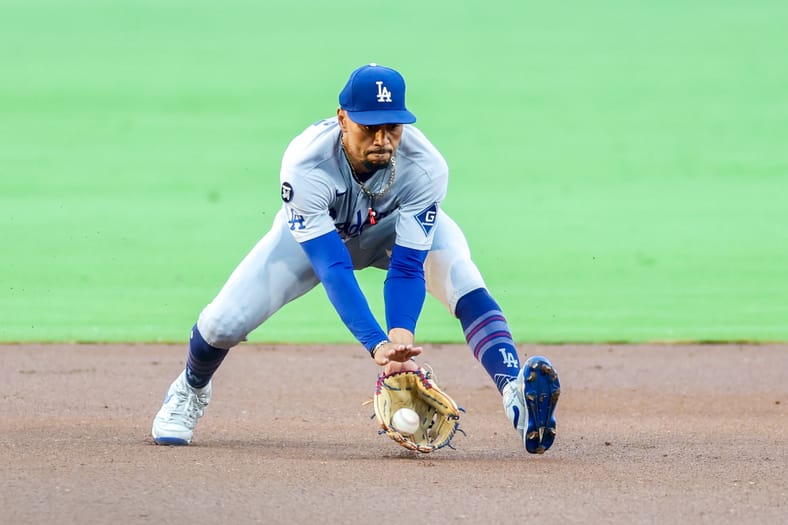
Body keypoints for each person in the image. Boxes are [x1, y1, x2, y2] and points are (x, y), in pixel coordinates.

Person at [151, 63, 560, 454]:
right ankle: (191, 388)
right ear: (342, 118)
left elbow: (406, 267)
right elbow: (333, 268)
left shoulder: (426, 166)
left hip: (391, 230)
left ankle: (514, 394)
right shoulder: (305, 163)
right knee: (223, 323)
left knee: (464, 279)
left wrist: (400, 341)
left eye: (393, 127)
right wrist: (376, 344)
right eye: (369, 127)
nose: (382, 139)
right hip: (316, 240)